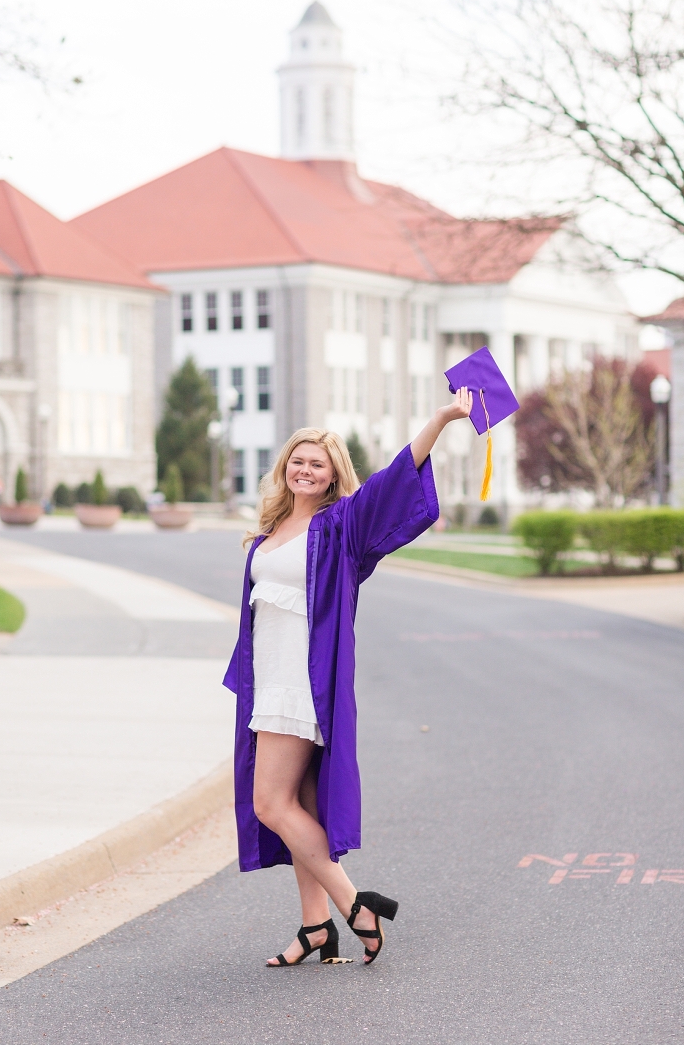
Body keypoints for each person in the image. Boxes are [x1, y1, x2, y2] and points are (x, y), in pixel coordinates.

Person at [223, 388, 473, 966]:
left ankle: (357, 905)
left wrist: (440, 418)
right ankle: (316, 929)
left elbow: (395, 478)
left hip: (302, 685)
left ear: (333, 476)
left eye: (318, 463)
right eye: (298, 459)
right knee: (299, 805)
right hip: (269, 682)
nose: (305, 469)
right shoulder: (273, 528)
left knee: (270, 804)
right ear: (285, 466)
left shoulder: (340, 528)